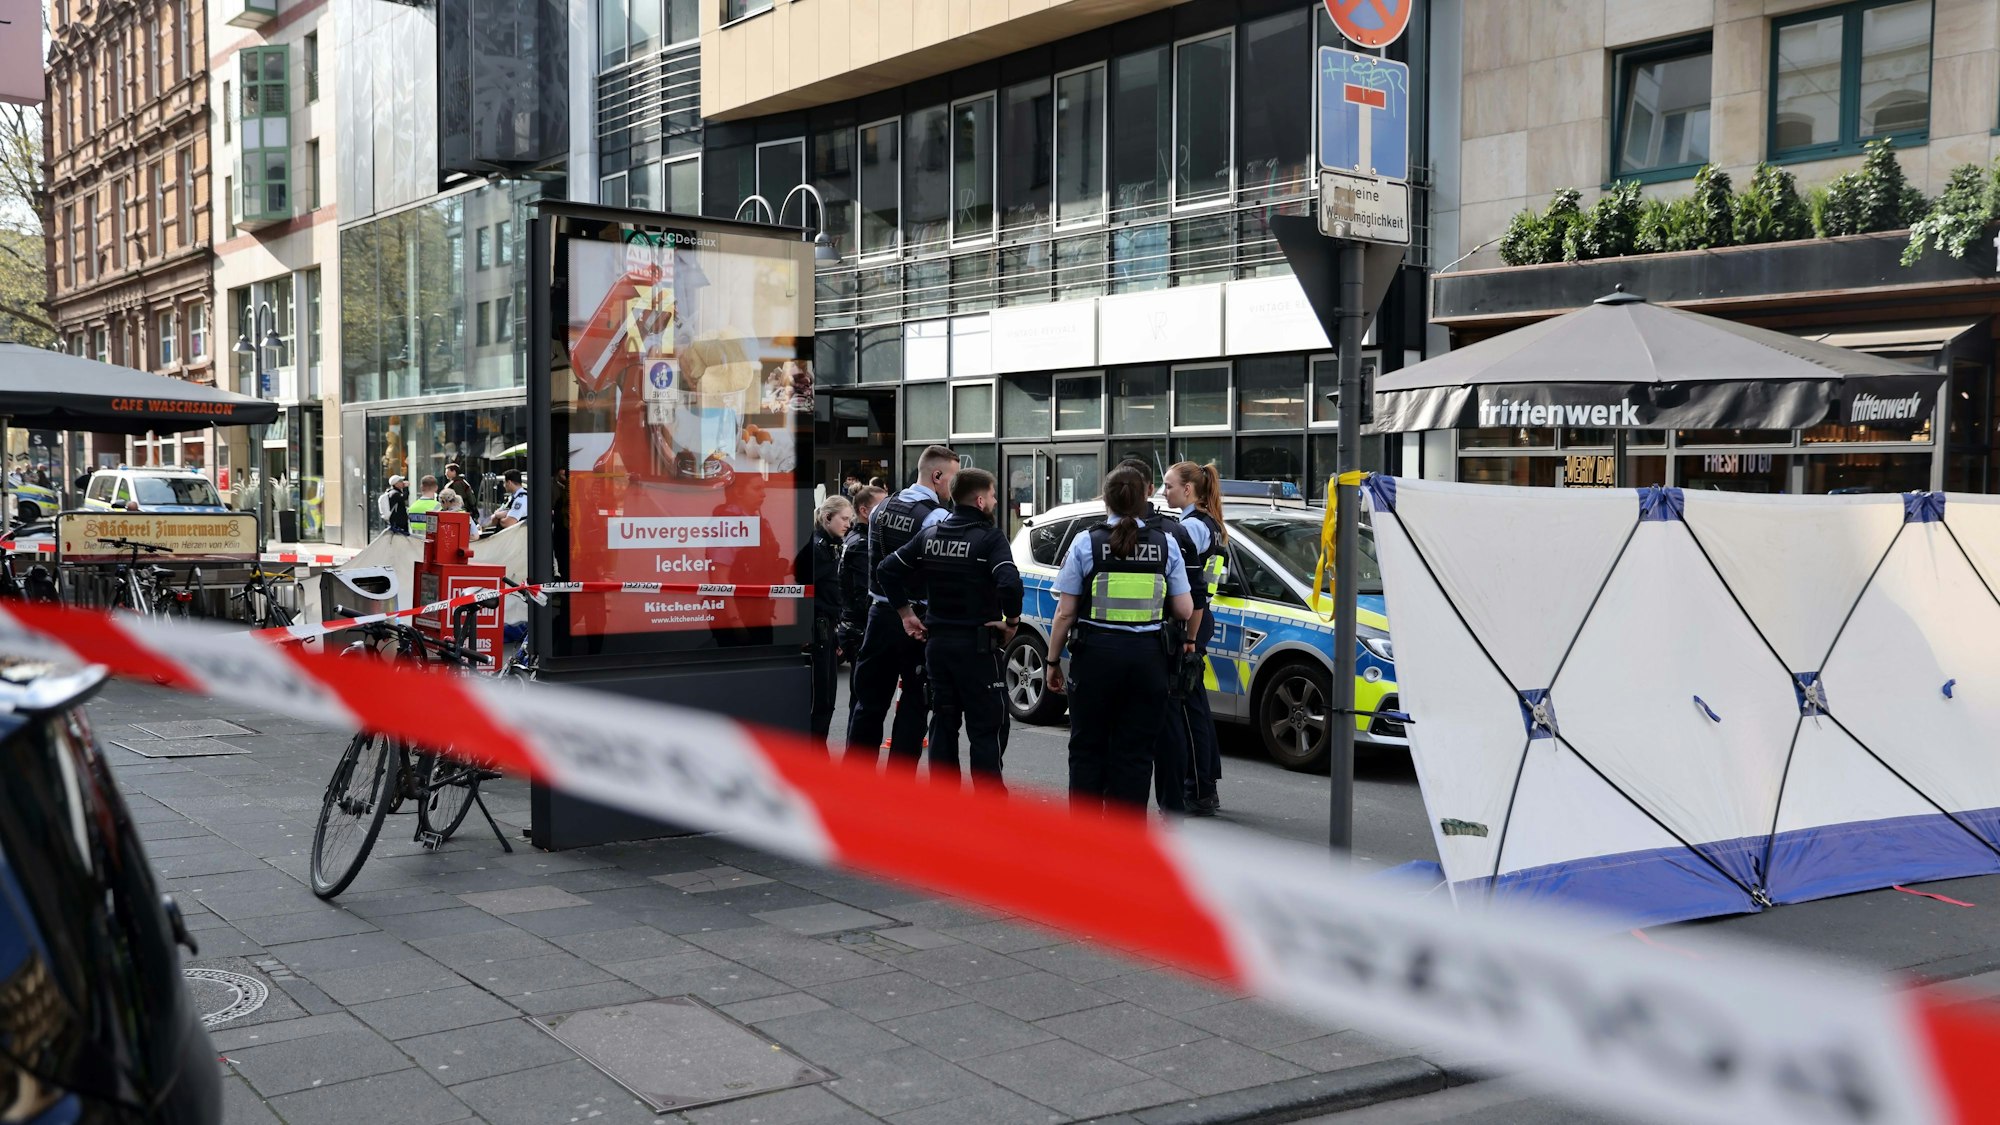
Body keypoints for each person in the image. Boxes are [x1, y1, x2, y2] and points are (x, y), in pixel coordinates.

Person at [1044, 466, 1192, 812]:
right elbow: (1185, 610)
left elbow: (1065, 613)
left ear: (1106, 499)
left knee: (1087, 749)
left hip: (1096, 659)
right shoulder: (1165, 544)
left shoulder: (1086, 542)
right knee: (1136, 754)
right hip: (1147, 663)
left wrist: (1052, 662)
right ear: (1144, 499)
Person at [874, 468, 1021, 792]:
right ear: (981, 500)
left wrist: (905, 613)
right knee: (986, 729)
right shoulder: (990, 538)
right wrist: (1011, 623)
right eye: (994, 495)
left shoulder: (931, 535)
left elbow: (886, 570)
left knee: (943, 724)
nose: (996, 501)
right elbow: (1009, 583)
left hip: (938, 646)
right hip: (977, 649)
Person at [846, 445, 960, 770]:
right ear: (937, 476)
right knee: (913, 703)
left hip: (878, 616)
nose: (952, 486)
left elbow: (876, 561)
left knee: (868, 703)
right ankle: (898, 792)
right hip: (916, 619)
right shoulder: (937, 517)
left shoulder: (881, 508)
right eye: (951, 478)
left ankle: (854, 784)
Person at [1164, 461, 1229, 816]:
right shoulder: (1208, 523)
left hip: (1190, 621)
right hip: (1199, 619)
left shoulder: (1190, 528)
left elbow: (1192, 588)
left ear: (1188, 490)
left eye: (1169, 486)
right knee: (1196, 707)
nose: (1164, 492)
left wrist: (1188, 636)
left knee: (1188, 710)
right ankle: (1205, 784)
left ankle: (1199, 788)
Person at [802, 495, 853, 745]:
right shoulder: (818, 548)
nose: (848, 524)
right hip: (819, 628)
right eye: (844, 519)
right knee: (821, 698)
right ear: (827, 517)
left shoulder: (829, 546)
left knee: (827, 697)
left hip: (828, 627)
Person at [838, 485, 884, 660]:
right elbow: (863, 591)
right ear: (864, 511)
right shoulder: (862, 544)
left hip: (852, 621)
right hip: (859, 626)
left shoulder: (852, 537)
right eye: (881, 507)